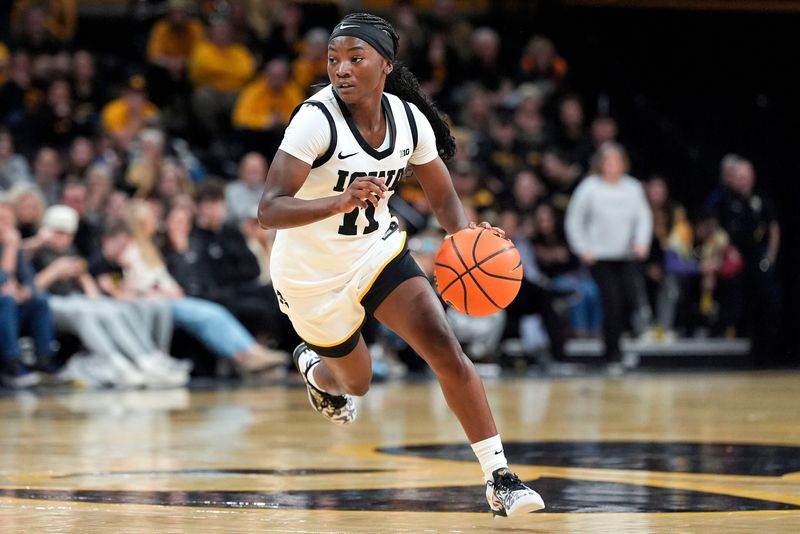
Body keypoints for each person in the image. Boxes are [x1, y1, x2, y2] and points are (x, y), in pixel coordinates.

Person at [258, 13, 544, 517]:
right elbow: (269, 209)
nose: (341, 70)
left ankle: (499, 477)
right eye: (333, 60)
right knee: (357, 383)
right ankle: (315, 369)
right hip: (311, 277)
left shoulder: (409, 120)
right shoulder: (315, 119)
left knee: (444, 348)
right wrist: (335, 202)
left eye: (355, 58)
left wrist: (470, 239)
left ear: (385, 65)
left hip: (376, 252)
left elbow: (444, 198)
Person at [30, 205, 189, 388]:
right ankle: (116, 360)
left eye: (68, 234)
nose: (64, 238)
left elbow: (86, 282)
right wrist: (54, 270)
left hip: (75, 298)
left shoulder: (70, 252)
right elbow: (29, 289)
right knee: (84, 313)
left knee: (112, 309)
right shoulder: (34, 251)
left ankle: (146, 356)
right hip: (48, 302)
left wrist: (90, 289)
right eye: (58, 232)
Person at [565, 142, 652, 367]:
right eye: (608, 161)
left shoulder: (632, 188)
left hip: (626, 255)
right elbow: (574, 220)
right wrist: (582, 248)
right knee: (611, 302)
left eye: (616, 161)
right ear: (600, 164)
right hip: (600, 256)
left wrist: (641, 242)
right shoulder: (589, 187)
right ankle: (612, 353)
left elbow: (643, 218)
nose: (612, 166)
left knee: (630, 300)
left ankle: (621, 344)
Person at [0, 195, 55, 388]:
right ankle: (11, 365)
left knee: (39, 301)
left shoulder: (13, 246)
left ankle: (44, 362)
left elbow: (30, 281)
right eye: (1, 220)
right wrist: (10, 246)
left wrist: (25, 293)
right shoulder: (11, 245)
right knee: (5, 301)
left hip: (11, 307)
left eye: (8, 221)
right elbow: (3, 279)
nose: (5, 226)